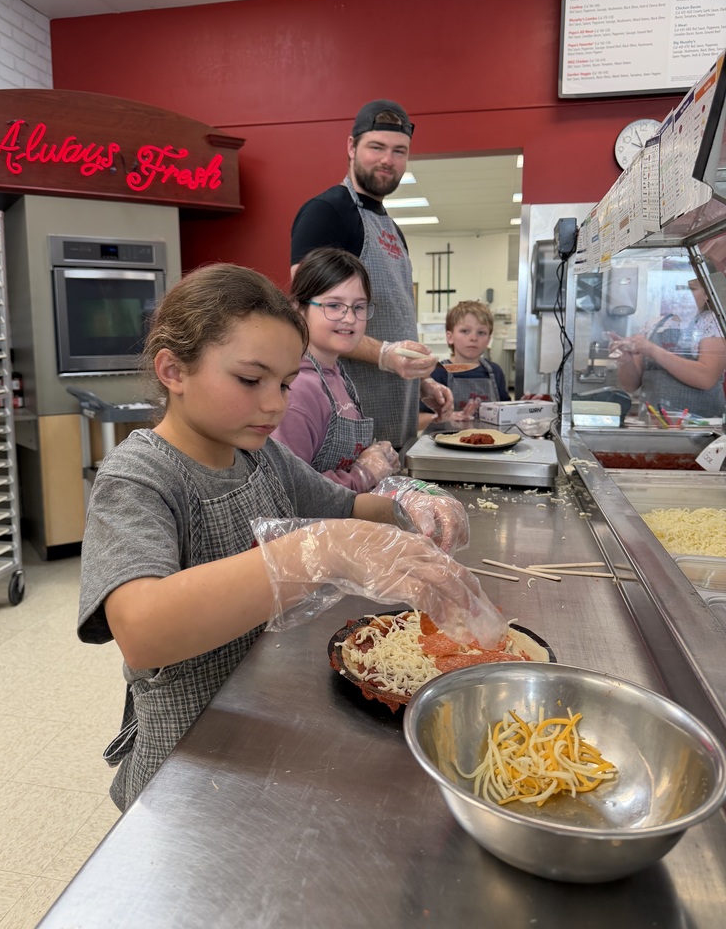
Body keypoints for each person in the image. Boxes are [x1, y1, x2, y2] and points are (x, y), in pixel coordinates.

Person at [77, 263, 501, 811]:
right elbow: (142, 629)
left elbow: (347, 506)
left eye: (284, 384)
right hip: (184, 763)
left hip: (259, 721)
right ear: (173, 370)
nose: (275, 404)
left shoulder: (262, 456)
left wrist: (408, 503)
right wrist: (316, 551)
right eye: (250, 380)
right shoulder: (139, 477)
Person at [290, 99, 452, 449]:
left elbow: (392, 320)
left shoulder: (392, 227)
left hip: (396, 422)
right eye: (376, 147)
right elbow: (305, 315)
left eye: (399, 151)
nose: (387, 160)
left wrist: (418, 381)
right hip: (347, 425)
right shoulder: (327, 212)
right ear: (351, 147)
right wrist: (384, 355)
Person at [271, 247, 401, 491]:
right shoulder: (298, 389)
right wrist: (362, 475)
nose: (349, 318)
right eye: (333, 305)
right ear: (299, 308)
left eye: (359, 307)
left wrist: (373, 456)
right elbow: (289, 489)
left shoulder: (337, 375)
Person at [608, 266, 726, 418]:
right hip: (653, 422)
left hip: (699, 424)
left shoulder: (712, 323)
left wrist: (652, 350)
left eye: (691, 288)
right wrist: (625, 360)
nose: (682, 294)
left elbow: (706, 379)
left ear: (707, 294)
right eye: (677, 288)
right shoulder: (652, 325)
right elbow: (631, 385)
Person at [420, 300, 510, 425]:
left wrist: (525, 405)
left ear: (488, 339)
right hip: (448, 437)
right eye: (465, 331)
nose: (473, 338)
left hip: (490, 437)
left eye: (481, 332)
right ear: (450, 337)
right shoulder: (438, 372)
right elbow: (418, 418)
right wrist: (446, 417)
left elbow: (506, 411)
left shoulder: (495, 372)